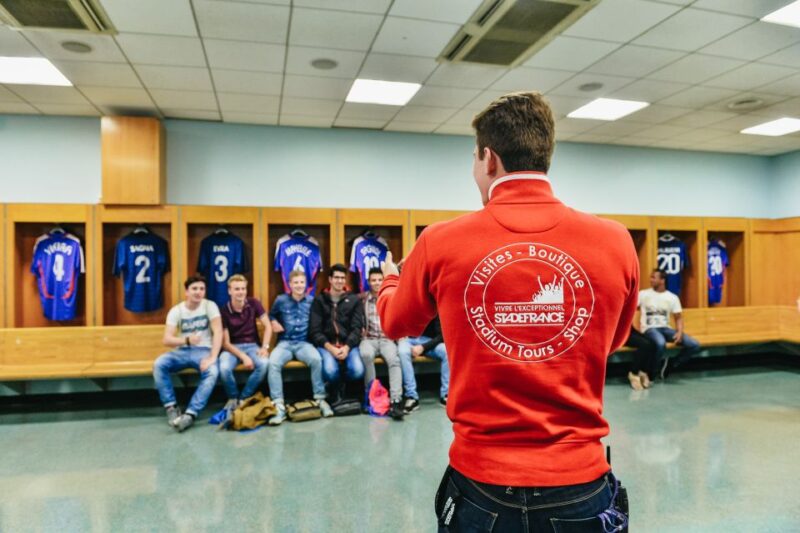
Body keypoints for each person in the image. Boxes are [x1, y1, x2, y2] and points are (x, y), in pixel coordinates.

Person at [378, 91, 638, 531]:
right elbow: (612, 340)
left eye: (474, 160)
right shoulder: (615, 240)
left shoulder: (440, 240)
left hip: (481, 486)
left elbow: (395, 322)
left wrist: (390, 279)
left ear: (489, 158)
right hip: (581, 483)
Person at [153, 275, 222, 432]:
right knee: (159, 364)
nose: (198, 292)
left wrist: (213, 356)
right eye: (194, 289)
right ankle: (171, 407)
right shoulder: (176, 310)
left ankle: (191, 413)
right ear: (186, 292)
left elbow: (218, 332)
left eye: (202, 289)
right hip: (183, 350)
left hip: (204, 350)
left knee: (212, 372)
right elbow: (167, 339)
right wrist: (187, 340)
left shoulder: (210, 306)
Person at [268, 270, 332, 424]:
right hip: (285, 343)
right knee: (273, 362)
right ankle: (278, 404)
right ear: (290, 284)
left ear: (306, 285)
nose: (299, 285)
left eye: (302, 282)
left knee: (316, 359)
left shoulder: (312, 301)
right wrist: (273, 321)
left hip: (304, 343)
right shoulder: (281, 300)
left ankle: (320, 399)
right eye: (295, 282)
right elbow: (271, 315)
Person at [309, 263, 365, 402]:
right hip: (327, 345)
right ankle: (335, 388)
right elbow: (315, 331)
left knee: (357, 371)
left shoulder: (353, 300)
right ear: (330, 279)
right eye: (336, 278)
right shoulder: (319, 300)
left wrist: (347, 347)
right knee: (330, 371)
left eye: (342, 278)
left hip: (348, 345)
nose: (339, 281)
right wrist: (331, 348)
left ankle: (342, 385)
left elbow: (357, 328)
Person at [218, 274, 270, 409]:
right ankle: (233, 397)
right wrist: (243, 356)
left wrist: (265, 347)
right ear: (229, 291)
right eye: (236, 289)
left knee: (264, 364)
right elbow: (226, 343)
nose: (240, 292)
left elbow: (268, 326)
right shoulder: (223, 310)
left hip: (252, 345)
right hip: (232, 348)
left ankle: (244, 397)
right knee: (224, 368)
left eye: (243, 289)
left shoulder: (254, 303)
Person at [639, 269, 702, 379]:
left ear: (662, 280)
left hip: (665, 329)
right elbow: (629, 308)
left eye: (654, 277)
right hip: (649, 328)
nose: (651, 280)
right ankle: (651, 374)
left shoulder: (672, 297)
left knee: (694, 345)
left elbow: (678, 318)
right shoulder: (643, 294)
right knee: (660, 343)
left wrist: (679, 332)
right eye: (651, 277)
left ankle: (671, 364)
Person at [359, 268, 404, 420]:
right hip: (369, 339)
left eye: (380, 280)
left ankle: (396, 400)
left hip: (386, 339)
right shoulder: (362, 299)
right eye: (373, 280)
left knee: (394, 360)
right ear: (369, 282)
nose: (377, 283)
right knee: (366, 355)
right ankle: (371, 396)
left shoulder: (391, 296)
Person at [397, 316, 449, 413]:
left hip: (429, 341)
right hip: (409, 340)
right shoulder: (409, 305)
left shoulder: (435, 308)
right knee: (402, 352)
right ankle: (411, 396)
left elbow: (441, 336)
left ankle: (446, 395)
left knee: (447, 351)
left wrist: (423, 347)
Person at [624, 326, 656, 390]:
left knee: (653, 342)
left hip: (628, 331)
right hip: (618, 335)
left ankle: (643, 371)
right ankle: (633, 373)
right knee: (645, 344)